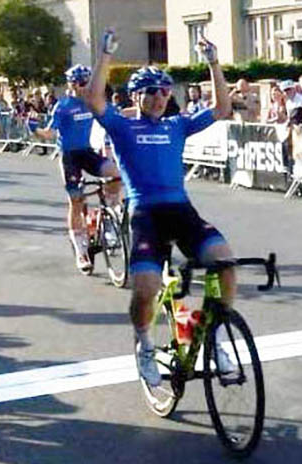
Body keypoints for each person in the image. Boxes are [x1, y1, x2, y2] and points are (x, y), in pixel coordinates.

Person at [86, 29, 235, 387]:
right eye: (150, 91)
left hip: (181, 210)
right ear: (136, 95)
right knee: (145, 289)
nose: (158, 97)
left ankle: (213, 335)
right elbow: (94, 100)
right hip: (146, 215)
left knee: (226, 264)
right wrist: (105, 56)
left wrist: (214, 63)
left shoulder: (177, 124)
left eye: (165, 91)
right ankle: (145, 344)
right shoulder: (123, 126)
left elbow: (221, 109)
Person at [34, 64, 122, 272]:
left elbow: (116, 115)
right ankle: (81, 250)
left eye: (88, 83)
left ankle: (110, 219)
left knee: (116, 174)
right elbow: (50, 133)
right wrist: (35, 130)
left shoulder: (93, 102)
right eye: (83, 83)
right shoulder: (63, 106)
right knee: (76, 200)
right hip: (69, 156)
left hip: (87, 152)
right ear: (72, 84)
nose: (86, 87)